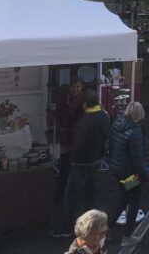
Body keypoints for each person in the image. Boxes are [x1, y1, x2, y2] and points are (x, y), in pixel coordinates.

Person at [64, 89, 110, 233]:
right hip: (96, 160)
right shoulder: (105, 116)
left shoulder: (85, 122)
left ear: (84, 105)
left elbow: (78, 144)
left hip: (82, 163)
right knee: (92, 194)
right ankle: (92, 224)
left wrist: (72, 159)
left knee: (72, 196)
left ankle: (69, 227)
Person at [107, 101, 149, 244]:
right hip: (131, 174)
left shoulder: (117, 124)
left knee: (123, 198)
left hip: (117, 170)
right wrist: (145, 176)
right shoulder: (136, 131)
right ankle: (127, 236)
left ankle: (106, 230)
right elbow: (138, 158)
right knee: (134, 201)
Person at [50, 78, 85, 235]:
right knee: (65, 164)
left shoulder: (82, 102)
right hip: (66, 136)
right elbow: (58, 115)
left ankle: (68, 191)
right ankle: (61, 190)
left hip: (76, 137)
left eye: (77, 86)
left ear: (81, 88)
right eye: (73, 86)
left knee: (74, 164)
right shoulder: (65, 100)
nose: (75, 89)